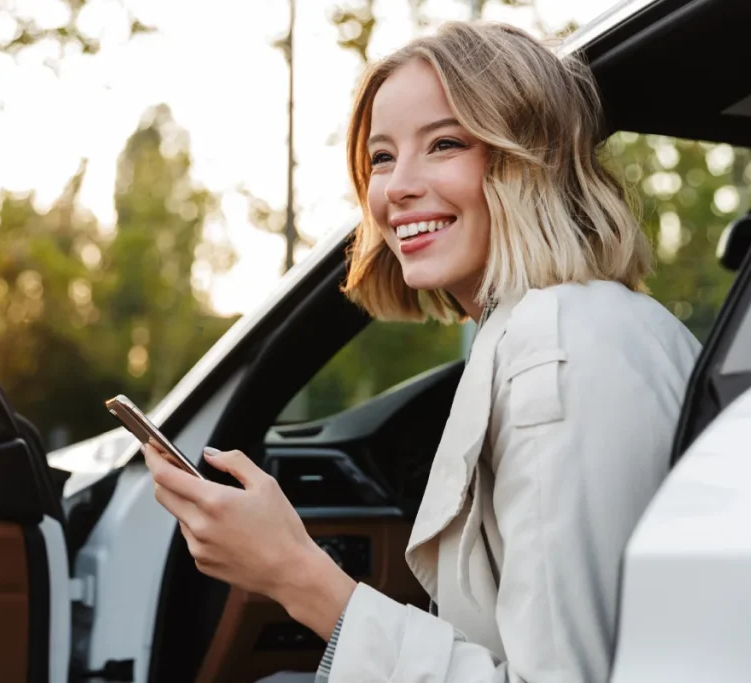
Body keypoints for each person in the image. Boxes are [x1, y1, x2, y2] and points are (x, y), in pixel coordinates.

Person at [142, 20, 702, 682]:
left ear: (526, 157)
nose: (397, 187)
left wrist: (295, 573)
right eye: (381, 157)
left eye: (443, 143)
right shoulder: (558, 324)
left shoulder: (561, 350)